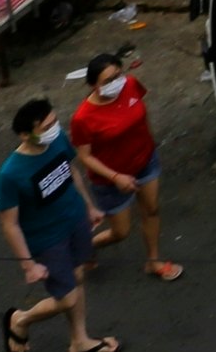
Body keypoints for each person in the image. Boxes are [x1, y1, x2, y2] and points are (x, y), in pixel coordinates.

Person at [0, 98, 119, 352]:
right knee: (67, 298)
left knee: (79, 278)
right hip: (48, 241)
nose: (54, 128)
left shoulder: (57, 139)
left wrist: (89, 207)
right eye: (46, 126)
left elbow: (70, 171)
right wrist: (29, 265)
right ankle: (20, 320)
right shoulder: (10, 174)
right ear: (25, 135)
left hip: (75, 222)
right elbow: (9, 224)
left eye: (54, 122)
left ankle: (79, 341)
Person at [72, 52, 182, 283]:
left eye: (118, 75)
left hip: (145, 162)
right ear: (93, 85)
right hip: (111, 182)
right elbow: (85, 157)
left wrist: (149, 143)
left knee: (151, 210)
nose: (116, 83)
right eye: (108, 80)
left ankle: (153, 261)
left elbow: (141, 113)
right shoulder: (83, 118)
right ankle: (86, 246)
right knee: (121, 232)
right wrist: (116, 177)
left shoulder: (131, 85)